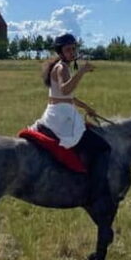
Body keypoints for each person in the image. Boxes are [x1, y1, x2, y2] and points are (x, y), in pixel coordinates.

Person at [34, 33, 112, 206]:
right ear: (60, 52)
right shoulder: (62, 68)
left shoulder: (60, 66)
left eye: (73, 49)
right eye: (68, 49)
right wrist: (82, 71)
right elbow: (64, 89)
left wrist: (86, 107)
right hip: (62, 117)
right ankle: (95, 189)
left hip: (61, 112)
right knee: (102, 146)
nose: (72, 52)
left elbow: (66, 96)